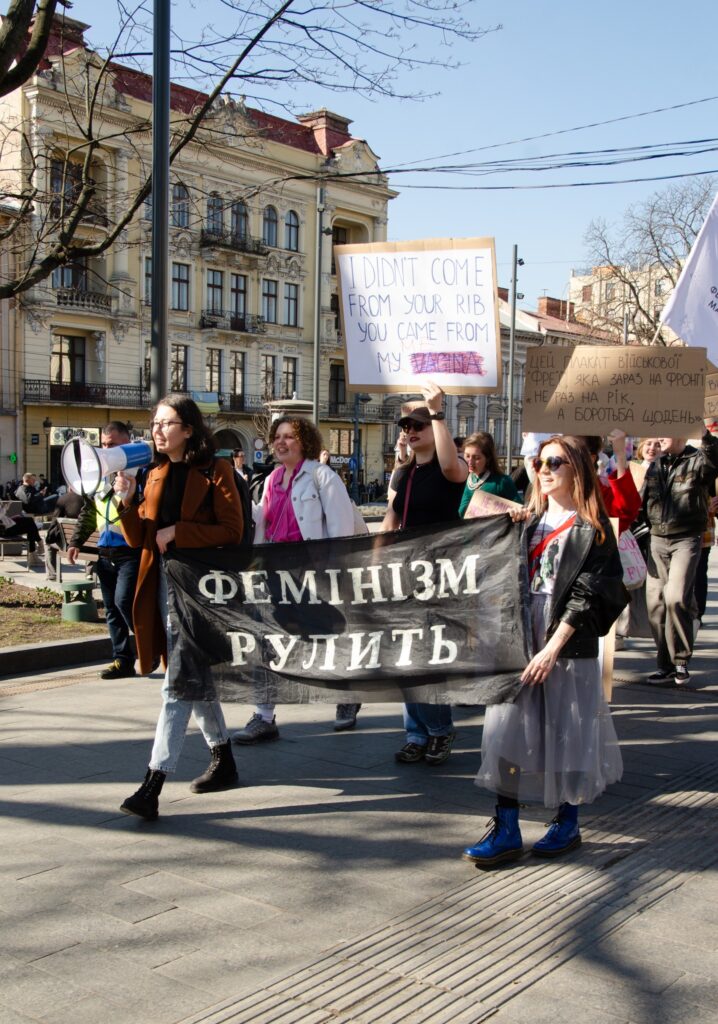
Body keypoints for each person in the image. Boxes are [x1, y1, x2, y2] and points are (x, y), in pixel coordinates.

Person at [463, 435, 628, 868]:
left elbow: (590, 594)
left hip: (565, 642)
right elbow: (470, 519)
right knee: (505, 732)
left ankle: (567, 821)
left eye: (555, 461)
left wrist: (552, 648)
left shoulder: (591, 528)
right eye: (539, 461)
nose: (544, 469)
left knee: (568, 730)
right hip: (520, 635)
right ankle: (506, 826)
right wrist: (504, 524)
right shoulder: (525, 520)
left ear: (577, 468)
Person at [115, 395, 244, 820]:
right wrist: (126, 502)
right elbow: (139, 539)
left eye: (166, 423)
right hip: (162, 589)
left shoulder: (215, 471)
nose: (156, 430)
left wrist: (180, 532)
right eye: (154, 423)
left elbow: (232, 529)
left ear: (188, 428)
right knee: (192, 677)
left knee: (175, 686)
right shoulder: (153, 473)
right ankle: (223, 759)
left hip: (200, 592)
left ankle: (152, 784)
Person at [232, 415, 362, 741]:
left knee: (327, 641)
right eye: (277, 436)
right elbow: (264, 520)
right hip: (276, 570)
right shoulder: (272, 479)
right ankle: (264, 715)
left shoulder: (322, 477)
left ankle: (347, 695)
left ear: (303, 441)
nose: (281, 442)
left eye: (288, 436)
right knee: (268, 640)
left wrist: (333, 573)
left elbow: (341, 530)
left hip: (311, 571)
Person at [381, 380, 468, 765]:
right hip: (404, 574)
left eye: (419, 426)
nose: (411, 432)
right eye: (406, 427)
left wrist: (436, 411)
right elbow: (390, 521)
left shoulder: (450, 469)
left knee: (426, 657)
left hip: (439, 573)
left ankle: (440, 730)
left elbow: (452, 464)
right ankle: (415, 733)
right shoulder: (403, 474)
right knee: (405, 659)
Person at [643, 426, 718, 684]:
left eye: (666, 431)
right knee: (655, 604)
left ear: (682, 435)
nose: (660, 437)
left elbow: (714, 455)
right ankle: (664, 665)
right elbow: (645, 501)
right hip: (657, 539)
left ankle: (681, 661)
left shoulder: (698, 460)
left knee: (676, 597)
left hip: (686, 537)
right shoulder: (655, 464)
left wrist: (704, 433)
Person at [69, 422, 144, 680]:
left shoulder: (140, 472)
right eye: (103, 444)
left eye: (112, 444)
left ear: (127, 442)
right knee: (112, 609)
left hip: (130, 550)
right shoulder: (99, 476)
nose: (105, 449)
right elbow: (90, 510)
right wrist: (75, 542)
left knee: (125, 602)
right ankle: (122, 660)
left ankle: (151, 647)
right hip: (106, 551)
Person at [459, 431, 520, 517]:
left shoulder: (501, 482)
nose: (470, 462)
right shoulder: (460, 478)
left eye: (476, 458)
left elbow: (520, 511)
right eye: (467, 456)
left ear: (488, 458)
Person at [43, 485, 84, 580]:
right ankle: (89, 574)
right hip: (87, 545)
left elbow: (55, 520)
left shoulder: (63, 498)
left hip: (67, 544)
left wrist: (49, 536)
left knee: (48, 543)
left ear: (70, 487)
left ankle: (52, 574)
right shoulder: (90, 499)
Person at [0, 504, 44, 568]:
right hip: (3, 530)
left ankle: (34, 553)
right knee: (30, 523)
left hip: (5, 525)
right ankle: (36, 549)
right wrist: (5, 508)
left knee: (29, 523)